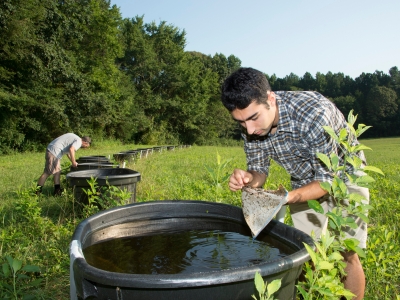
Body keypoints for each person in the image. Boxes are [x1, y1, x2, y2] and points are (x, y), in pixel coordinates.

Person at [221, 67, 369, 299]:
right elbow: (259, 170)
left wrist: (284, 198)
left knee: (347, 253)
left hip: (345, 177)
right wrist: (249, 178)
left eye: (253, 118)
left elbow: (326, 182)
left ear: (270, 98)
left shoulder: (313, 114)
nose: (249, 129)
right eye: (240, 122)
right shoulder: (251, 126)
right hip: (303, 180)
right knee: (304, 249)